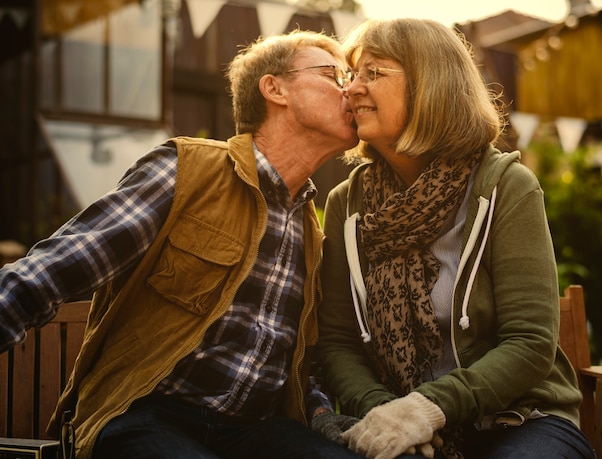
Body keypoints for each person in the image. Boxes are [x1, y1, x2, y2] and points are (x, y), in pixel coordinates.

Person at [0, 29, 364, 459]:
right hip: (146, 414)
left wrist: (321, 413)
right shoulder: (187, 171)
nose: (352, 90)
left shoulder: (312, 234)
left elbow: (300, 362)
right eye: (335, 74)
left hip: (254, 431)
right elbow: (53, 269)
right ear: (275, 88)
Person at [313, 18, 596, 459]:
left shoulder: (506, 186)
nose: (351, 89)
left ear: (431, 85)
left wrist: (429, 408)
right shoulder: (346, 205)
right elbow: (337, 342)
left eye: (374, 73)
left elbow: (530, 342)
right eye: (353, 75)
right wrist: (388, 414)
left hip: (521, 418)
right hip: (395, 420)